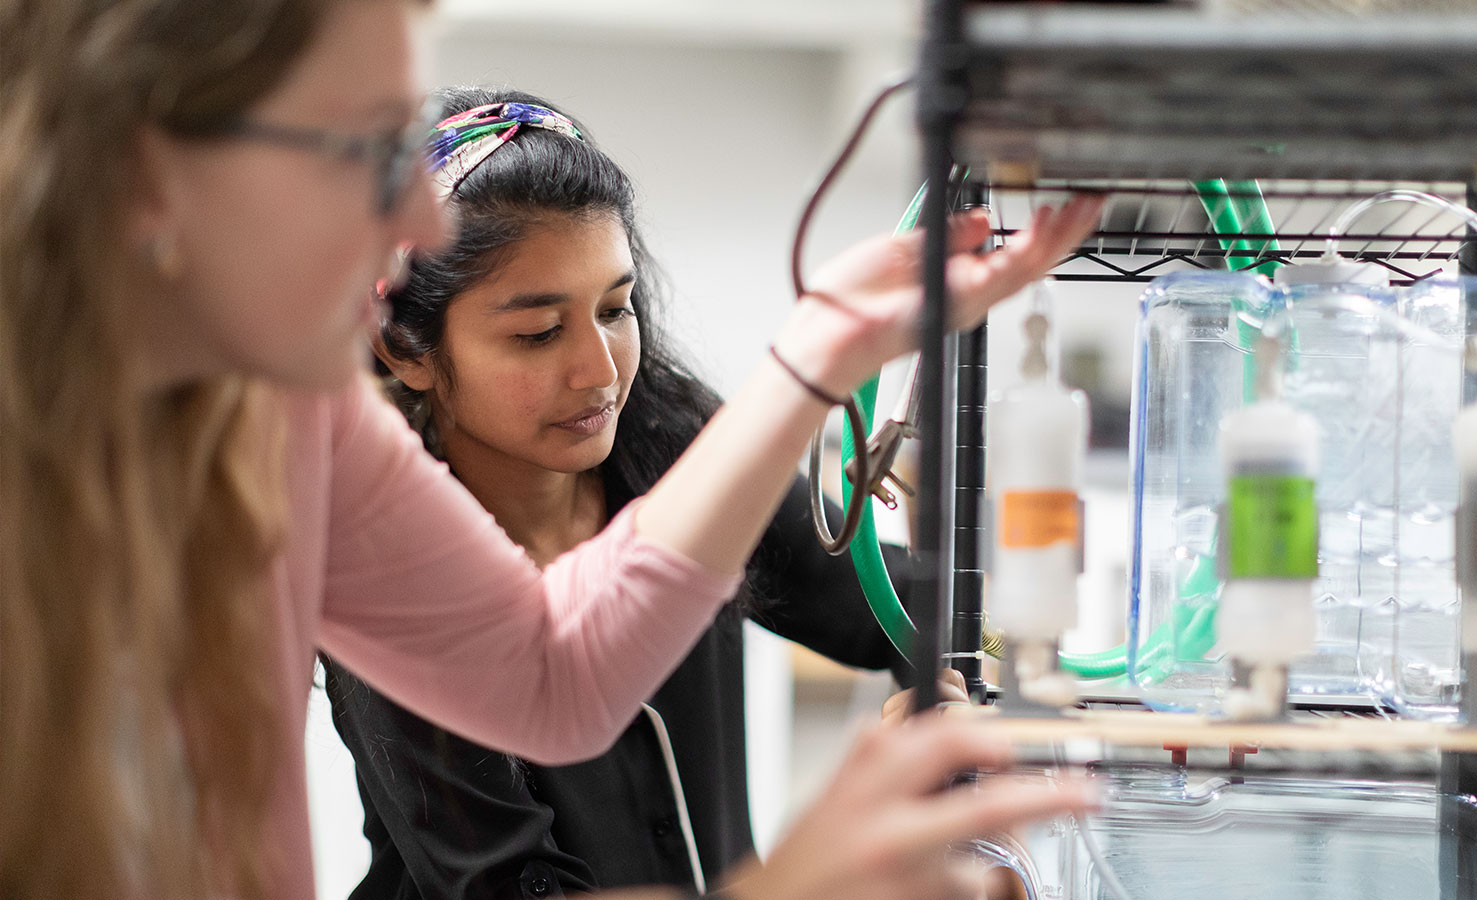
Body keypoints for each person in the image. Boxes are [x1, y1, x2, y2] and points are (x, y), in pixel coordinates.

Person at [0, 2, 1105, 900]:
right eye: (356, 147)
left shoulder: (294, 416)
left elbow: (549, 668)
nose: (418, 230)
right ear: (148, 166)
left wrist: (823, 349)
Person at [322, 85, 940, 899]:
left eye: (615, 309)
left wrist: (959, 683)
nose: (601, 372)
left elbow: (895, 608)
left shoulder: (681, 454)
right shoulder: (391, 579)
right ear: (406, 350)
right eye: (538, 333)